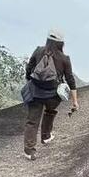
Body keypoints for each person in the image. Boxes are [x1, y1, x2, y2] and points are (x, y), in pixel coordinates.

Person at [22, 29, 78, 161]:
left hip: (35, 92)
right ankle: (46, 136)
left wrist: (30, 82)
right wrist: (75, 101)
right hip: (52, 95)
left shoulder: (38, 51)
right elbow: (70, 80)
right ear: (61, 43)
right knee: (50, 110)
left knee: (32, 121)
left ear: (48, 39)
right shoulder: (64, 59)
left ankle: (29, 151)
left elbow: (29, 69)